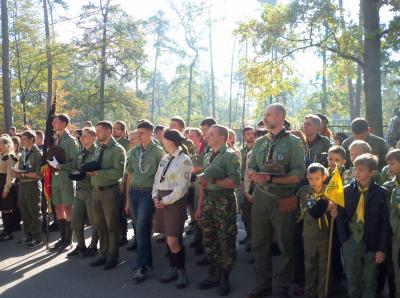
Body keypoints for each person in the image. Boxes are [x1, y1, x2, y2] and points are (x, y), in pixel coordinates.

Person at [247, 103, 306, 298]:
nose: (265, 119)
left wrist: (273, 178)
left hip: (283, 197)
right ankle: (263, 284)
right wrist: (255, 175)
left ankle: (282, 288)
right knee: (259, 244)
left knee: (286, 245)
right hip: (261, 197)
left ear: (280, 117)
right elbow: (251, 167)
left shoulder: (294, 142)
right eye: (264, 115)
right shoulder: (260, 142)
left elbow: (298, 174)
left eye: (269, 115)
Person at [336, 153, 390, 298]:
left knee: (369, 279)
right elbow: (340, 216)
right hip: (351, 241)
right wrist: (343, 240)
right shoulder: (346, 191)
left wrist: (382, 249)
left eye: (361, 170)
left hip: (372, 243)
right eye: (355, 169)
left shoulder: (382, 193)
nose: (356, 172)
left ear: (372, 172)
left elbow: (385, 223)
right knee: (352, 278)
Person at [197, 124, 240, 296]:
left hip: (224, 202)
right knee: (209, 238)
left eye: (212, 134)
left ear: (222, 137)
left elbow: (234, 182)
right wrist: (199, 206)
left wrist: (213, 182)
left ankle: (225, 277)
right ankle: (213, 274)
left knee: (225, 239)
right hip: (208, 201)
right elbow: (202, 185)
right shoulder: (207, 156)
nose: (207, 136)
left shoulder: (230, 156)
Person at [152, 129, 193, 289]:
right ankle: (173, 268)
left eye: (163, 138)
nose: (161, 140)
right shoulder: (165, 158)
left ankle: (182, 272)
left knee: (173, 239)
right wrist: (155, 196)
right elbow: (157, 179)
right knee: (168, 238)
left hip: (174, 202)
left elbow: (181, 187)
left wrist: (165, 200)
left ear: (170, 141)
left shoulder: (184, 160)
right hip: (161, 200)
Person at [125, 120, 164, 283]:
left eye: (142, 133)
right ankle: (146, 262)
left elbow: (162, 177)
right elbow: (130, 176)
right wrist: (127, 199)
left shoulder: (158, 152)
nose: (138, 136)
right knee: (139, 228)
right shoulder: (134, 152)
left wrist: (158, 197)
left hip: (148, 194)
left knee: (141, 229)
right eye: (137, 133)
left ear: (150, 133)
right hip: (134, 193)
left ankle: (141, 266)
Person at [89, 121, 126, 270]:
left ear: (108, 131)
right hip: (96, 190)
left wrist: (98, 172)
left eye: (99, 131)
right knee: (100, 225)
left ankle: (112, 256)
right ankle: (103, 253)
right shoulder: (98, 147)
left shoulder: (117, 150)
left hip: (110, 191)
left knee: (112, 226)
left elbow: (118, 173)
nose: (96, 134)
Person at [297, 163, 335, 298]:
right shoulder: (305, 192)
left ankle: (322, 293)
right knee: (310, 265)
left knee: (324, 266)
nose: (314, 182)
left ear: (324, 177)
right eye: (311, 178)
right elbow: (315, 211)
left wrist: (335, 208)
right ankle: (310, 293)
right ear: (307, 178)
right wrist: (327, 204)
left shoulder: (330, 191)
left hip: (325, 235)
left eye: (317, 178)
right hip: (310, 236)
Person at [49, 113, 80, 252]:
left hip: (66, 177)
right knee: (58, 207)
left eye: (55, 121)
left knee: (68, 208)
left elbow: (76, 162)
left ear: (63, 123)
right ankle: (62, 239)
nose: (53, 124)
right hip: (55, 177)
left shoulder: (71, 141)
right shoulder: (55, 139)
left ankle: (69, 240)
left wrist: (62, 166)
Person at [68, 127, 99, 257]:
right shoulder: (80, 152)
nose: (82, 138)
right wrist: (60, 166)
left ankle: (93, 246)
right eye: (82, 136)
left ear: (94, 137)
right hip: (79, 190)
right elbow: (74, 165)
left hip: (91, 190)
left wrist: (83, 171)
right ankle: (81, 246)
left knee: (94, 221)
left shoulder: (97, 152)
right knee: (75, 221)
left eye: (85, 136)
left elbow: (96, 168)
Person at [13, 130, 43, 248]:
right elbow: (21, 169)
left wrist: (23, 175)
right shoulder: (23, 152)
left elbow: (39, 174)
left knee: (35, 211)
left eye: (24, 139)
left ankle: (37, 237)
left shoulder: (38, 153)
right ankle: (28, 235)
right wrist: (17, 173)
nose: (22, 141)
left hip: (33, 185)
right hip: (23, 184)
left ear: (32, 139)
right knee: (24, 210)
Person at [385, 149, 400, 296]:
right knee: (394, 267)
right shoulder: (388, 186)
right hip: (393, 234)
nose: (389, 167)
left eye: (392, 164)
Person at [113, 120, 130, 247]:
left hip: (123, 180)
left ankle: (123, 235)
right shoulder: (112, 143)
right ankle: (115, 234)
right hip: (112, 181)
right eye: (113, 128)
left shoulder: (127, 143)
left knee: (120, 210)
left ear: (123, 130)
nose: (115, 131)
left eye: (118, 129)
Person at [239, 126, 255, 250]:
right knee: (245, 212)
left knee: (253, 215)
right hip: (242, 183)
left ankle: (253, 240)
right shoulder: (243, 151)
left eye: (252, 133)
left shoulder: (257, 149)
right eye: (247, 134)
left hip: (253, 185)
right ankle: (248, 235)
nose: (250, 136)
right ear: (244, 136)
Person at [0, 135, 18, 241]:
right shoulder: (2, 155)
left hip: (5, 184)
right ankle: (5, 230)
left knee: (6, 209)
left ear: (6, 144)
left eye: (0, 143)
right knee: (3, 209)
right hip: (0, 183)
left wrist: (6, 189)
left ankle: (8, 232)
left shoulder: (10, 156)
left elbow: (10, 176)